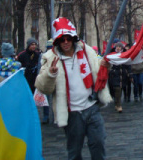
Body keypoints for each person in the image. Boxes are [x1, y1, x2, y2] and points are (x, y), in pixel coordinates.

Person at [36, 18, 111, 160]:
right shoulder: (51, 58)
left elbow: (97, 66)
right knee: (74, 151)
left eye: (68, 38)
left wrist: (106, 64)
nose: (65, 42)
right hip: (72, 114)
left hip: (92, 107)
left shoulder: (86, 50)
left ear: (73, 38)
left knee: (98, 144)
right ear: (57, 41)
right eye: (62, 39)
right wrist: (51, 74)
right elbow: (42, 87)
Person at [108, 41, 131, 113]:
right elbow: (108, 64)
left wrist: (129, 73)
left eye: (119, 47)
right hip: (114, 75)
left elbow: (128, 64)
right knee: (116, 89)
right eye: (117, 46)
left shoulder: (124, 55)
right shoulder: (111, 55)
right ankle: (118, 104)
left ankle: (118, 104)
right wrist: (111, 71)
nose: (118, 48)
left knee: (119, 90)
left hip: (122, 75)